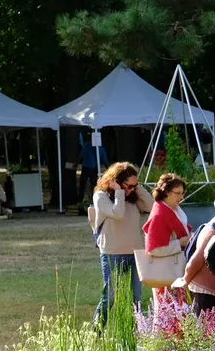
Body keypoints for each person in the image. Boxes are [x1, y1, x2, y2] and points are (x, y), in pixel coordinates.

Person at [91, 162, 152, 322]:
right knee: (109, 297)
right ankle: (96, 332)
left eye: (135, 185)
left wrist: (136, 188)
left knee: (136, 299)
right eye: (129, 185)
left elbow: (152, 206)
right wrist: (119, 191)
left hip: (135, 254)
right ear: (116, 181)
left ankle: (135, 336)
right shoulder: (101, 196)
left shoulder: (132, 197)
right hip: (112, 254)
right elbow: (117, 214)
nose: (131, 189)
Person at [178, 193, 215, 317]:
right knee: (206, 330)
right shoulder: (211, 231)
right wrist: (185, 280)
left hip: (214, 291)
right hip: (204, 290)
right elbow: (197, 259)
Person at [143, 174, 191, 303]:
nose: (181, 197)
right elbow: (154, 249)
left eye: (182, 193)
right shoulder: (160, 214)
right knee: (169, 315)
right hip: (166, 273)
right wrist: (180, 242)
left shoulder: (170, 208)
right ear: (166, 192)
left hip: (174, 271)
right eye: (178, 193)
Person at [77, 133, 109, 215]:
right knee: (92, 185)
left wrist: (77, 162)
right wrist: (108, 168)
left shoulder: (88, 145)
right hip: (92, 168)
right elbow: (105, 160)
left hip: (87, 167)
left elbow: (81, 155)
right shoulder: (99, 148)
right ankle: (90, 200)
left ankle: (83, 200)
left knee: (84, 184)